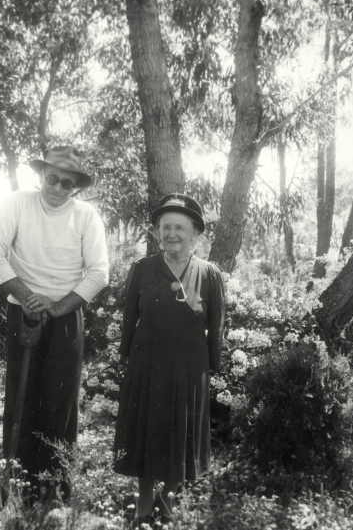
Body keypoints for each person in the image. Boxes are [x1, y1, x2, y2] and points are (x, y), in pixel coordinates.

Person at [0, 145, 109, 502]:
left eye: (66, 183)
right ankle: (12, 491)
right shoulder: (17, 203)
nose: (57, 187)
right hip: (23, 312)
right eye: (52, 178)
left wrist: (58, 307)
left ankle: (53, 492)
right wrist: (28, 298)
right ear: (42, 175)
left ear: (76, 187)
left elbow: (99, 272)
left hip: (66, 315)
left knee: (61, 400)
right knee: (21, 398)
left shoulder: (86, 216)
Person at [113, 193, 225, 524]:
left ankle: (167, 509)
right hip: (146, 367)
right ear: (157, 232)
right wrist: (126, 359)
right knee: (147, 437)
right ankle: (143, 510)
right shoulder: (142, 270)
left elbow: (216, 327)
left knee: (180, 436)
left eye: (179, 227)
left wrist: (211, 369)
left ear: (195, 234)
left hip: (189, 371)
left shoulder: (210, 274)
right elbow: (128, 319)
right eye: (165, 227)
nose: (171, 233)